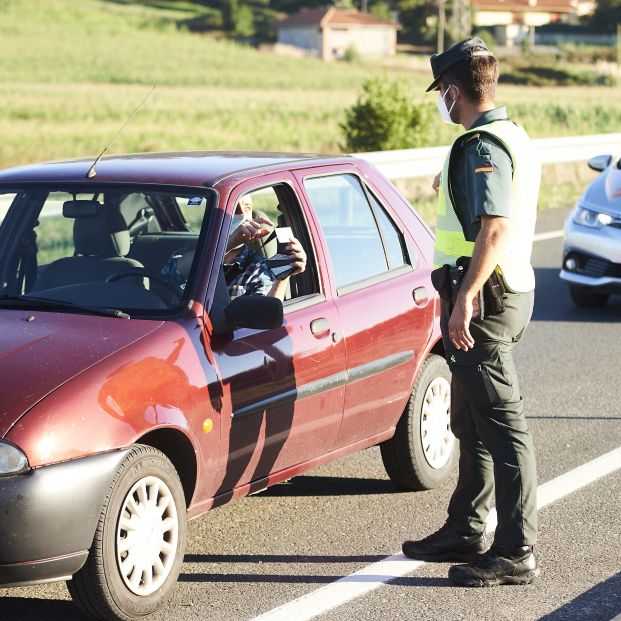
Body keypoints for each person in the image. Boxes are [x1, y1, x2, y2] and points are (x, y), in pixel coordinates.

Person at [401, 37, 541, 587]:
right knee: (474, 421)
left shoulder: (481, 145)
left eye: (442, 92)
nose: (442, 101)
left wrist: (461, 303)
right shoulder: (507, 135)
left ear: (454, 90)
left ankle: (516, 549)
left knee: (504, 427)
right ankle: (466, 527)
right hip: (503, 291)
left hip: (482, 297)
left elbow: (494, 227)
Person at [224, 194, 307, 301]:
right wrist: (227, 245)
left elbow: (267, 311)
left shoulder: (258, 268)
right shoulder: (197, 255)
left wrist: (285, 272)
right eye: (233, 207)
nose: (242, 213)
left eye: (247, 207)